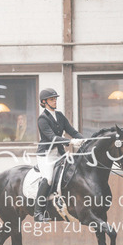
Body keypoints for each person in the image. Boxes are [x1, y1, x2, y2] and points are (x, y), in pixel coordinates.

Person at [34, 88, 83, 222]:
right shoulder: (42, 119)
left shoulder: (60, 115)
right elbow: (52, 138)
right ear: (44, 102)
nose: (55, 101)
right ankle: (38, 213)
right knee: (48, 179)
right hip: (46, 155)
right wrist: (70, 141)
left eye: (55, 99)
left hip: (60, 154)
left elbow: (72, 131)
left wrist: (84, 140)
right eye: (52, 99)